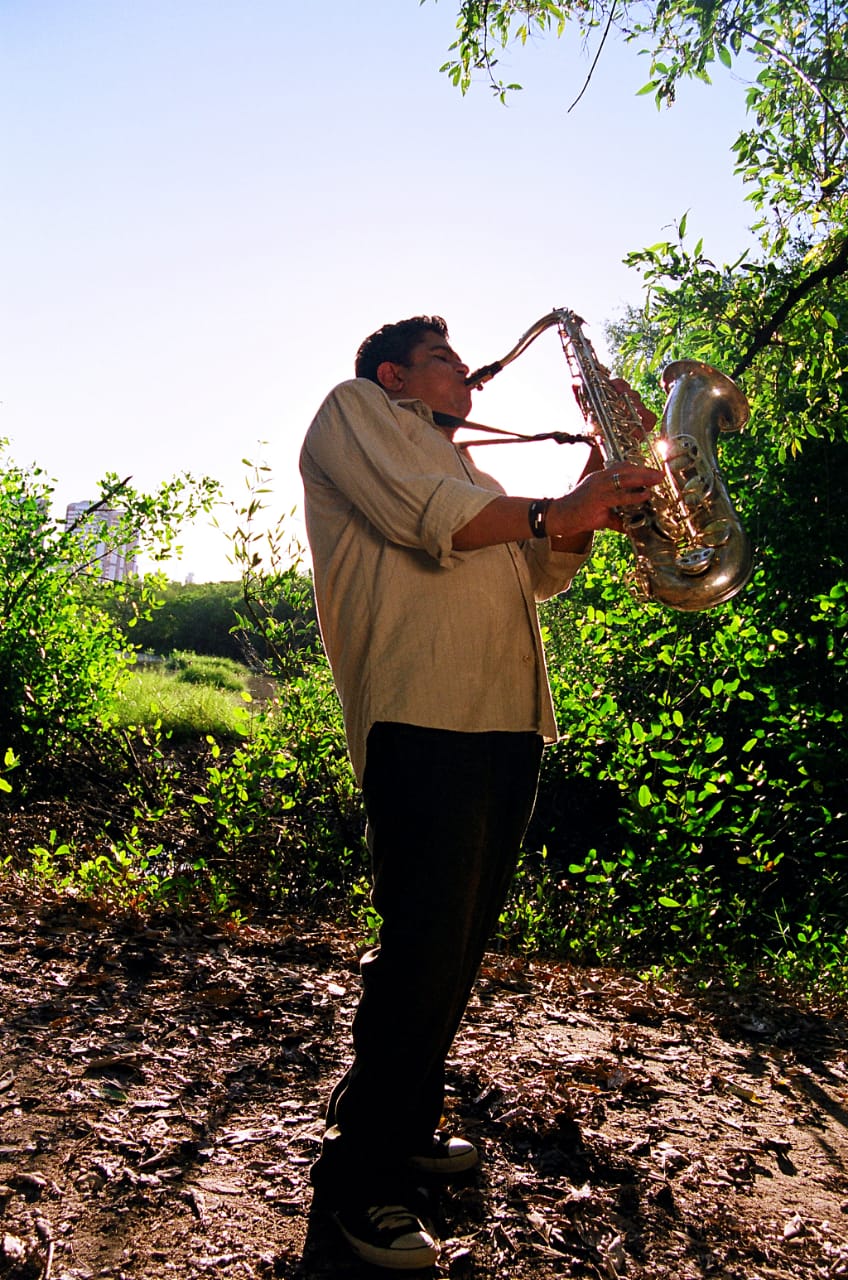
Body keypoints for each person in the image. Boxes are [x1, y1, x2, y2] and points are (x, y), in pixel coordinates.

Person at [299, 314, 660, 1270]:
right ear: (396, 376)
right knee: (423, 944)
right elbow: (431, 520)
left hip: (505, 720)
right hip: (424, 714)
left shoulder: (484, 476)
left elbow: (539, 571)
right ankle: (356, 1181)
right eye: (445, 359)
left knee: (455, 943)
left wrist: (591, 501)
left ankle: (403, 1114)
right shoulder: (357, 412)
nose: (468, 371)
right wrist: (555, 506)